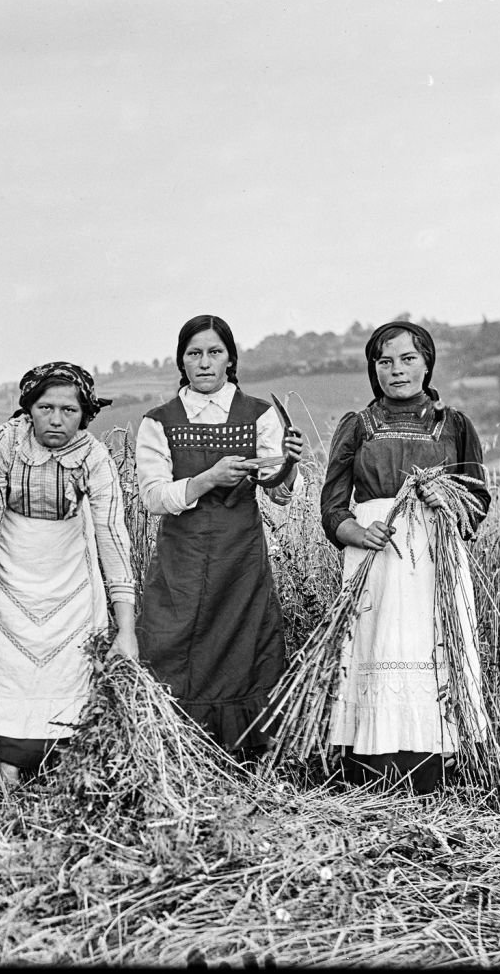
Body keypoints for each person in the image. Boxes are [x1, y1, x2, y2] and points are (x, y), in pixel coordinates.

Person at [319, 320, 492, 794]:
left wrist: (447, 500)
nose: (397, 370)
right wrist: (359, 532)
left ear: (427, 364)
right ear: (374, 369)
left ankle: (433, 776)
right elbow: (332, 508)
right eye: (385, 361)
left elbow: (477, 502)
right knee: (377, 648)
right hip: (375, 561)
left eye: (408, 359)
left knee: (429, 648)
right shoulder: (358, 426)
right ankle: (370, 777)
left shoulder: (454, 425)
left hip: (434, 561)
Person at [134, 315, 306, 757]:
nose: (205, 362)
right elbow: (153, 498)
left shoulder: (259, 415)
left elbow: (278, 491)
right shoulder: (159, 421)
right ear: (182, 362)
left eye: (214, 352)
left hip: (240, 560)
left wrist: (289, 465)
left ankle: (249, 755)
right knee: (172, 645)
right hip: (182, 561)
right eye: (194, 354)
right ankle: (178, 752)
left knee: (245, 651)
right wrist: (208, 478)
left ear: (230, 359)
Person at [0, 362, 137, 785]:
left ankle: (64, 762)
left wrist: (126, 628)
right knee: (9, 663)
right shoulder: (2, 444)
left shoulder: (93, 456)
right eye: (45, 408)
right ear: (29, 408)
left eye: (69, 410)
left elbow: (112, 535)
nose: (56, 419)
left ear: (85, 414)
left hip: (69, 571)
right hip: (10, 566)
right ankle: (7, 761)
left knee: (69, 665)